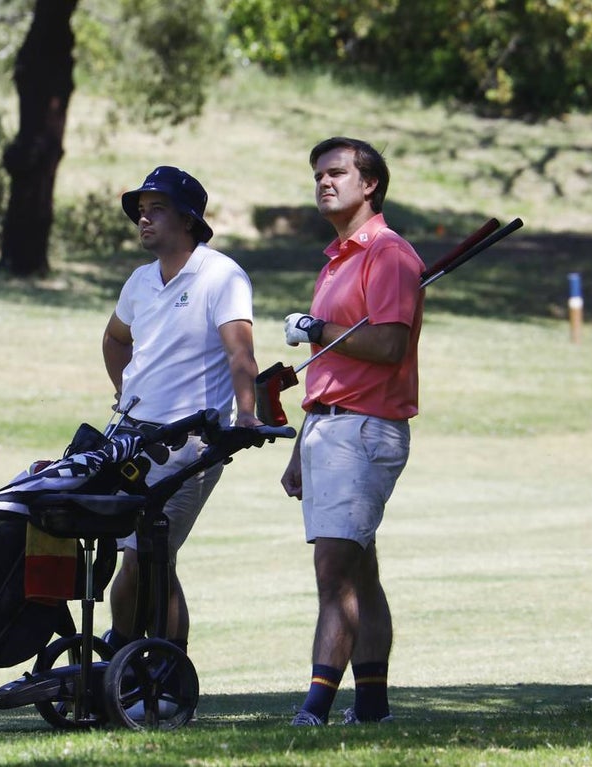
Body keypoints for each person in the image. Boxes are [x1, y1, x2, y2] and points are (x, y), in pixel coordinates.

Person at [280, 137, 426, 726]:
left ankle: (314, 708)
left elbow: (389, 345)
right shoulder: (339, 258)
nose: (324, 182)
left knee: (334, 570)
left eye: (337, 173)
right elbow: (332, 364)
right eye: (318, 174)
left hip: (365, 430)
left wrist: (317, 325)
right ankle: (371, 708)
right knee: (359, 571)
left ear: (370, 184)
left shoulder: (388, 254)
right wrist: (300, 449)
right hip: (329, 427)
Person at [102, 166, 260, 657]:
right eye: (141, 214)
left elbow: (241, 355)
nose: (145, 221)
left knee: (150, 556)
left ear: (189, 219)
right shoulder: (140, 280)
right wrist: (127, 394)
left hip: (189, 444)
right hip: (130, 437)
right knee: (130, 558)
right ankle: (125, 663)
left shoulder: (221, 275)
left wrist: (247, 416)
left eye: (158, 210)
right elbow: (115, 338)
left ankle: (165, 668)